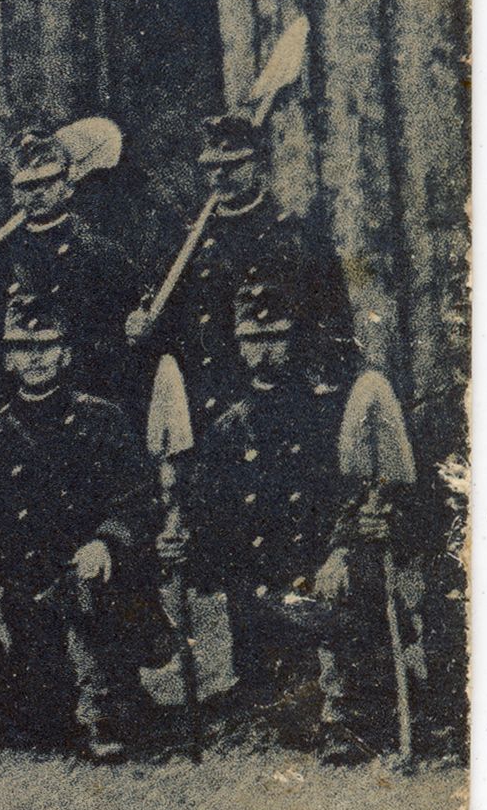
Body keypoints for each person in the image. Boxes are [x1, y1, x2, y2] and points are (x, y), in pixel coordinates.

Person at [169, 279, 396, 762]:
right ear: (238, 345)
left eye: (276, 337)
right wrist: (185, 538)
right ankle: (276, 691)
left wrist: (343, 548)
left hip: (320, 568)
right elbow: (211, 511)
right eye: (252, 340)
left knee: (328, 667)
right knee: (278, 708)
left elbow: (356, 491)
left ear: (295, 339)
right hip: (259, 583)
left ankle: (342, 703)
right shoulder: (228, 426)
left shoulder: (329, 412)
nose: (265, 350)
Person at [0, 287, 171, 762]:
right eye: (22, 348)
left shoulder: (102, 419)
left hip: (94, 572)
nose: (35, 358)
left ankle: (104, 702)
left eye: (46, 346)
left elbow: (137, 498)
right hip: (28, 580)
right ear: (8, 360)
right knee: (41, 716)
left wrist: (106, 541)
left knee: (91, 597)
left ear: (65, 353)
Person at [134, 113, 355, 435]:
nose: (220, 174)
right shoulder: (190, 244)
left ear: (259, 165)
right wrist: (144, 326)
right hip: (207, 409)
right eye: (212, 167)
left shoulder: (295, 238)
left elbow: (330, 327)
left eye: (234, 164)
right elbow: (176, 326)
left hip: (275, 407)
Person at [0, 131, 149, 412]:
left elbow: (130, 329)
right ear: (15, 193)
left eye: (47, 182)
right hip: (16, 401)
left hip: (86, 394)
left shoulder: (100, 254)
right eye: (26, 186)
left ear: (68, 186)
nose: (37, 192)